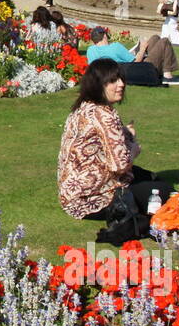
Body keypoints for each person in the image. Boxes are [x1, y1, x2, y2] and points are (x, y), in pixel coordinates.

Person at [57, 59, 172, 220]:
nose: (121, 84)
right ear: (98, 85)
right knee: (164, 192)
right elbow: (119, 165)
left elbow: (102, 139)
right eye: (113, 81)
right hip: (91, 198)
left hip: (70, 192)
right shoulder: (105, 115)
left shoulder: (84, 106)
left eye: (121, 79)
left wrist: (124, 132)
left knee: (148, 177)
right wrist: (134, 150)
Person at [85, 26, 179, 85]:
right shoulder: (115, 47)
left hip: (122, 70)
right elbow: (136, 62)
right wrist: (142, 49)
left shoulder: (90, 50)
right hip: (139, 69)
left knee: (155, 38)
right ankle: (167, 76)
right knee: (164, 41)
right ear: (104, 36)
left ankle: (161, 70)